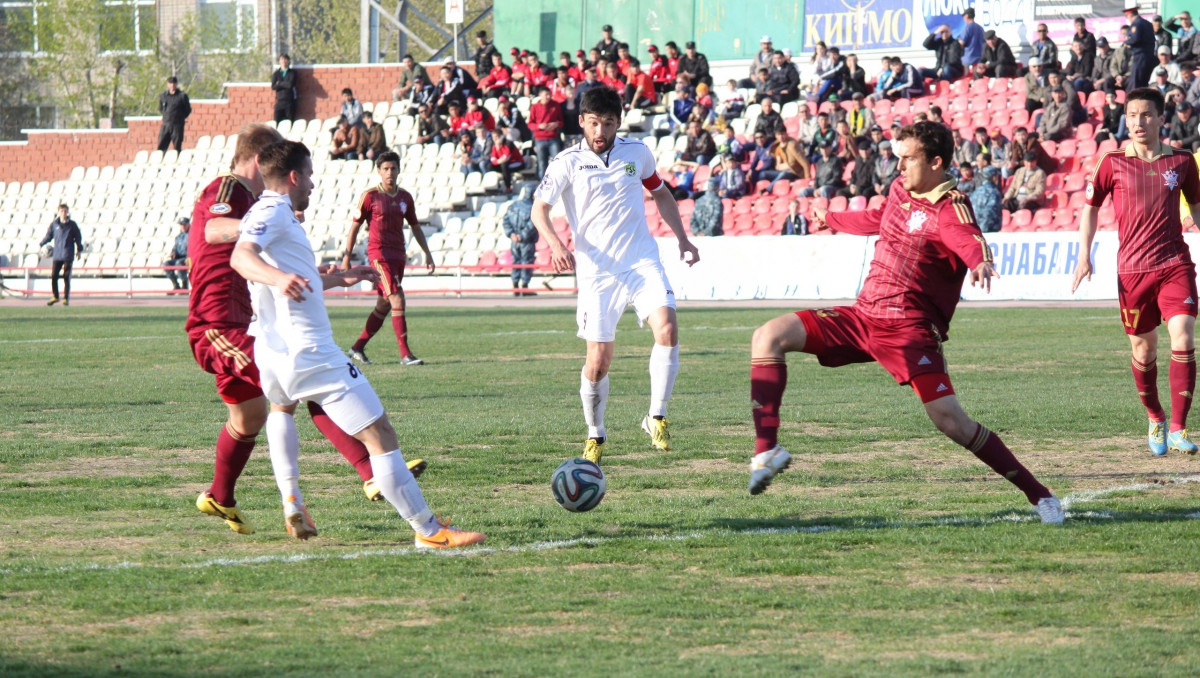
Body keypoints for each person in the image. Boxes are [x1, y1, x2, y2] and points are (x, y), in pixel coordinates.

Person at [747, 120, 1064, 524]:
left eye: (908, 159)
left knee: (951, 422)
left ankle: (1041, 496)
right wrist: (835, 219)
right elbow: (881, 217)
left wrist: (980, 260)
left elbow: (968, 236)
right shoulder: (901, 189)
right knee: (768, 336)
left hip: (909, 331)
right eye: (898, 159)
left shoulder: (950, 207)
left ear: (935, 162)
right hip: (863, 317)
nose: (899, 168)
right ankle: (767, 450)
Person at [230, 140, 484, 548]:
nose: (312, 184)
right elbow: (241, 259)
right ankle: (430, 531)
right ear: (294, 177)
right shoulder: (274, 211)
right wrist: (279, 280)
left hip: (272, 351)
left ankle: (292, 499)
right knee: (381, 434)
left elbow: (284, 272)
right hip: (309, 351)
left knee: (281, 408)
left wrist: (334, 279)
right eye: (309, 175)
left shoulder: (271, 213)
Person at [187, 124, 418, 536]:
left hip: (250, 323)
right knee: (304, 379)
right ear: (259, 160)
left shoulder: (263, 205)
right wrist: (259, 222)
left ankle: (220, 496)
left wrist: (333, 277)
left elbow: (282, 269)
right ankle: (368, 469)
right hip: (216, 323)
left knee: (250, 416)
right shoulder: (229, 188)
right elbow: (212, 231)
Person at [530, 87, 700, 463]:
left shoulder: (636, 154)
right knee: (598, 362)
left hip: (641, 261)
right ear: (582, 122)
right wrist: (557, 245)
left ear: (618, 122)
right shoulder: (565, 163)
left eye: (608, 123)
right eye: (594, 123)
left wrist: (683, 239)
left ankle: (657, 416)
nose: (600, 130)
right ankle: (596, 435)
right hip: (597, 274)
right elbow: (539, 209)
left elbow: (661, 194)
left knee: (668, 328)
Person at [1073, 87, 1200, 456]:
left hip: (1174, 263)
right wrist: (1085, 254)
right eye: (1132, 116)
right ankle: (1155, 416)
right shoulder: (1111, 161)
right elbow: (1091, 208)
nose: (1138, 122)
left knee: (1184, 337)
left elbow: (1196, 205)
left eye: (1146, 115)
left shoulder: (1181, 162)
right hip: (1133, 271)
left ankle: (1178, 426)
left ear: (1162, 117)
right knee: (1144, 352)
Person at [343, 151, 435, 367]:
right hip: (379, 255)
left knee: (384, 304)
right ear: (379, 171)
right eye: (385, 169)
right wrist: (346, 257)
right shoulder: (370, 196)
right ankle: (406, 355)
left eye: (393, 168)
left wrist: (427, 253)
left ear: (399, 170)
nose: (389, 172)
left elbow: (415, 226)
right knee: (397, 298)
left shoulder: (405, 198)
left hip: (398, 255)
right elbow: (355, 226)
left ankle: (357, 348)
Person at [39, 203, 83, 306]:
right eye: (62, 211)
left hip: (68, 254)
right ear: (58, 212)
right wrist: (41, 244)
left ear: (68, 212)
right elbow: (49, 236)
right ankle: (56, 296)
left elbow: (78, 238)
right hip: (57, 254)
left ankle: (66, 298)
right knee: (54, 276)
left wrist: (79, 249)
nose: (63, 213)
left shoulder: (72, 225)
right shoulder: (54, 224)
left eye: (65, 211)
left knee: (66, 277)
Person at [503, 183, 539, 296]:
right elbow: (532, 225)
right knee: (526, 262)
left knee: (516, 261)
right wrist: (522, 236)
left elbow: (506, 221)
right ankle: (524, 287)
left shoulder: (513, 205)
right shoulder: (534, 208)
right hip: (526, 241)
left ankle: (515, 286)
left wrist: (512, 234)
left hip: (515, 241)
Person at [529, 87, 563, 179]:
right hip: (540, 139)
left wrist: (556, 124)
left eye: (549, 94)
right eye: (546, 95)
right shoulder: (534, 107)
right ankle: (543, 185)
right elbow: (530, 124)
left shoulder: (555, 105)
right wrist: (539, 126)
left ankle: (558, 181)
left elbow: (561, 121)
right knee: (542, 163)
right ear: (540, 95)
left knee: (557, 161)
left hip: (553, 138)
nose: (548, 97)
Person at [1126, 1, 1157, 89]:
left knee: (1136, 80)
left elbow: (1134, 39)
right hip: (1148, 55)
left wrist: (1127, 42)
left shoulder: (1137, 24)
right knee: (1144, 79)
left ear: (1130, 15)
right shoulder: (1147, 23)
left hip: (1140, 55)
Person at [157, 76, 191, 153]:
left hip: (177, 125)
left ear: (176, 84)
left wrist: (180, 117)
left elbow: (187, 110)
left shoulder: (182, 96)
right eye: (170, 83)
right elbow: (161, 109)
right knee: (161, 146)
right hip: (166, 124)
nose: (172, 85)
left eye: (174, 83)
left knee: (177, 146)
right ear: (168, 84)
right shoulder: (163, 96)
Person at [488, 127, 525, 192]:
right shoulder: (494, 146)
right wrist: (498, 161)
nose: (494, 139)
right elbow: (493, 158)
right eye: (493, 137)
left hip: (516, 162)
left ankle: (508, 187)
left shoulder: (508, 143)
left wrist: (498, 160)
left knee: (504, 166)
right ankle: (492, 187)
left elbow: (506, 157)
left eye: (496, 136)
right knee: (490, 166)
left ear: (501, 136)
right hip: (503, 163)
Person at [970, 166, 1003, 233]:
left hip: (975, 230)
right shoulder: (994, 192)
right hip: (989, 231)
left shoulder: (976, 192)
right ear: (994, 177)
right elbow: (990, 213)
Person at [165, 216, 190, 291]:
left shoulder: (192, 235)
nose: (182, 226)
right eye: (181, 225)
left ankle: (184, 285)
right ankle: (176, 285)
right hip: (179, 257)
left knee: (179, 263)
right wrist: (173, 252)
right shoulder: (179, 236)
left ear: (188, 224)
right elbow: (175, 247)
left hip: (187, 257)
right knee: (167, 264)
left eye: (184, 224)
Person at [271, 54, 297, 123]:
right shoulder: (276, 73)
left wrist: (279, 83)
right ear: (279, 61)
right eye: (282, 59)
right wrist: (284, 83)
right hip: (279, 101)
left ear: (288, 61)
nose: (284, 61)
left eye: (285, 59)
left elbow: (290, 85)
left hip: (289, 101)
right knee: (276, 121)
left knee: (289, 121)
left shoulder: (292, 73)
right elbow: (273, 86)